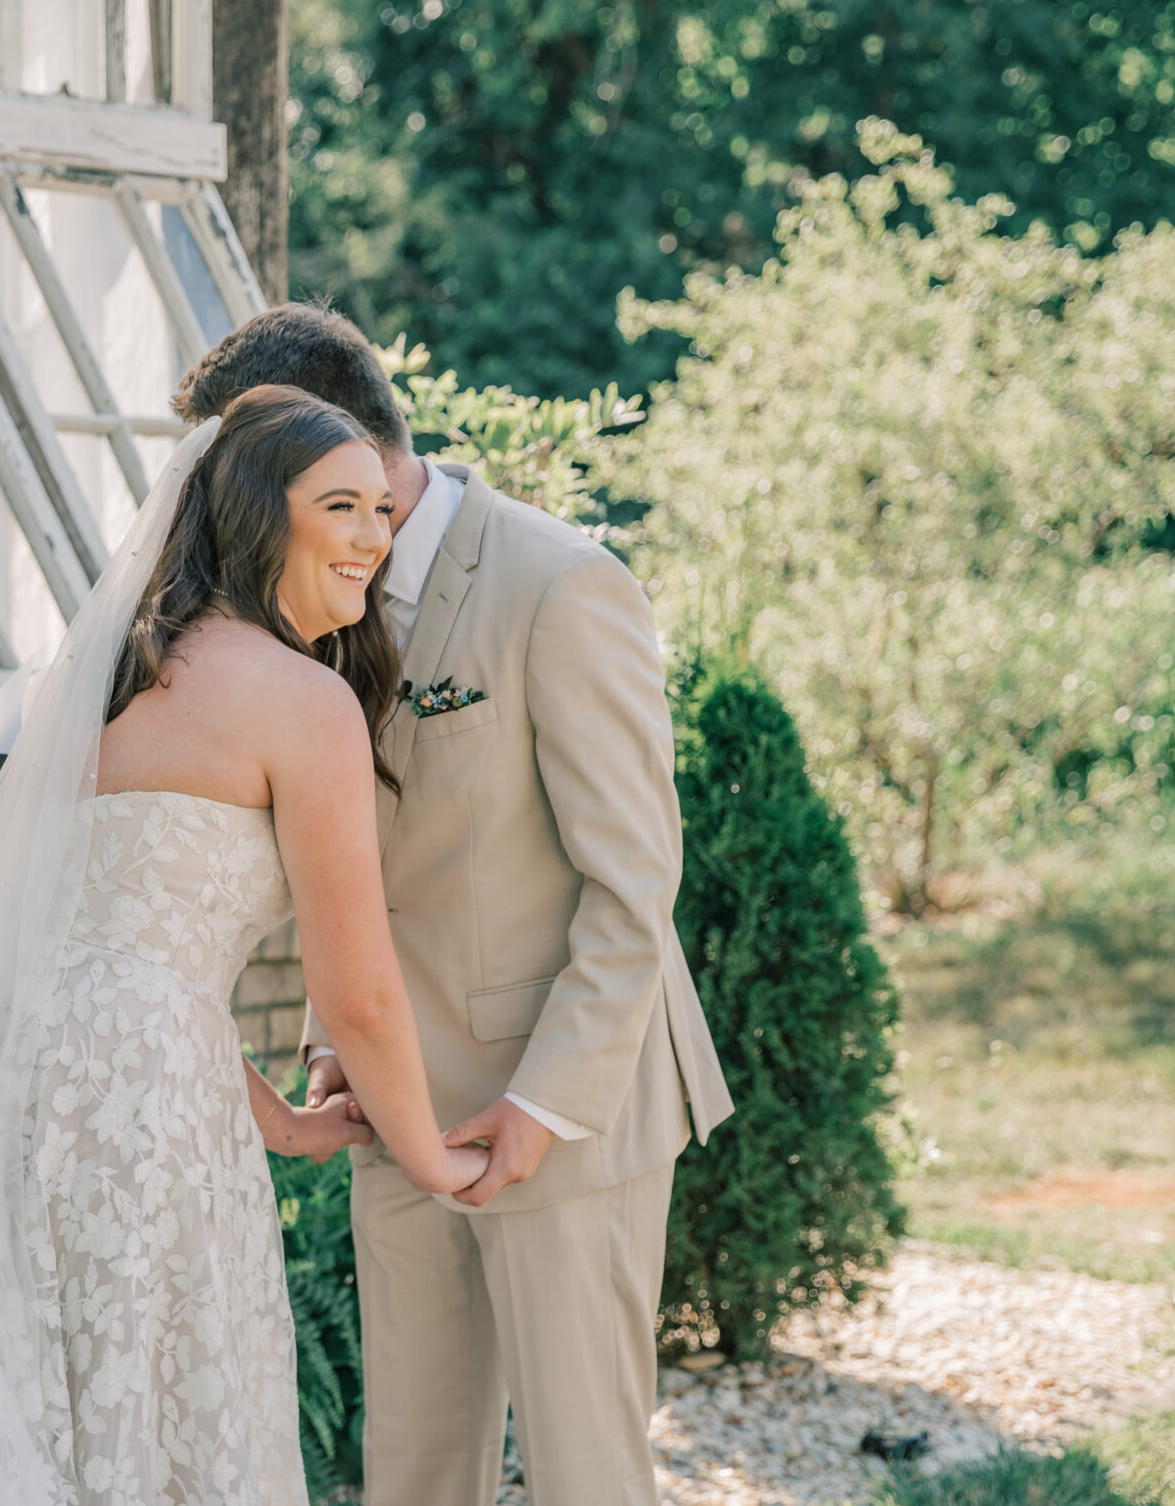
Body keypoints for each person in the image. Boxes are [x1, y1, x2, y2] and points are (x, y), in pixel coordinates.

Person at [0, 386, 486, 1505]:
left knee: (2, 1409)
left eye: (379, 512)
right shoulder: (304, 703)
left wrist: (281, 1118)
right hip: (143, 1116)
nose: (372, 535)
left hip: (7, 1077)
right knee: (138, 1422)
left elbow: (118, 954)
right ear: (262, 516)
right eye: (340, 506)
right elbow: (357, 997)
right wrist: (436, 1156)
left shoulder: (97, 677)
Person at [177, 305, 735, 1506]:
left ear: (343, 449)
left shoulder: (563, 583)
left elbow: (633, 887)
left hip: (566, 1109)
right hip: (394, 1109)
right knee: (415, 1476)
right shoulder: (295, 604)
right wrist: (337, 1048)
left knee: (588, 1477)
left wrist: (540, 1108)